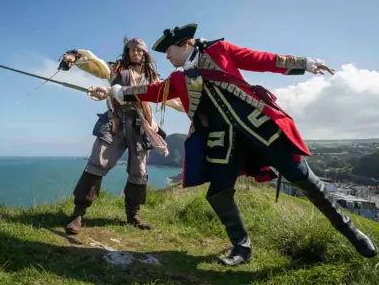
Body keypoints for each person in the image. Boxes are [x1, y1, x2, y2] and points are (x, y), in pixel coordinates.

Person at [90, 23, 377, 266]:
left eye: (168, 51)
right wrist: (118, 91)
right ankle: (242, 247)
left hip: (263, 130)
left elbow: (261, 59)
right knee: (218, 194)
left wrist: (304, 63)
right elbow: (152, 91)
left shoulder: (219, 51)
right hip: (225, 143)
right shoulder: (178, 79)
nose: (166, 57)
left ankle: (353, 234)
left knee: (304, 178)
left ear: (184, 44)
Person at [60, 38, 184, 235]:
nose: (136, 53)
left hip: (140, 125)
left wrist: (192, 105)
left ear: (144, 54)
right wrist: (74, 56)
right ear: (127, 52)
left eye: (140, 51)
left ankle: (133, 215)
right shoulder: (114, 69)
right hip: (114, 123)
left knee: (139, 171)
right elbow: (94, 63)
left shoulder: (152, 77)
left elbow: (170, 96)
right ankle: (78, 213)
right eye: (132, 50)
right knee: (96, 164)